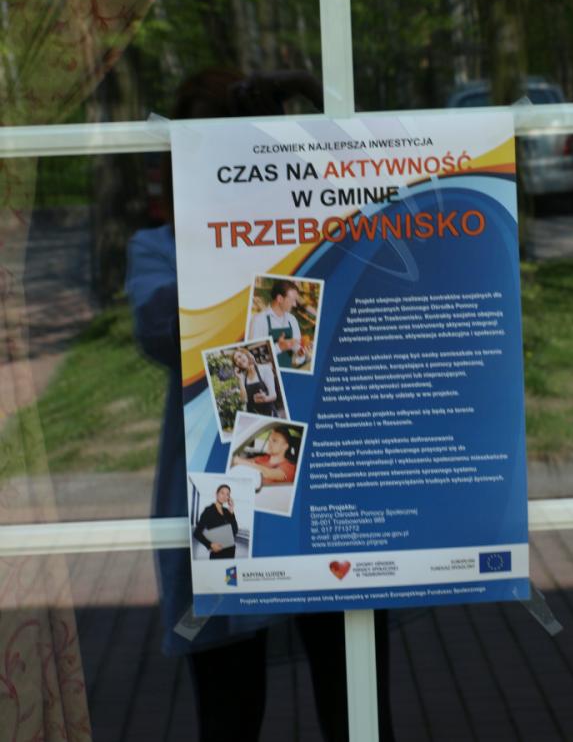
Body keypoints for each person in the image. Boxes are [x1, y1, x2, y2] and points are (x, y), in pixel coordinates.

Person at [127, 68, 395, 742]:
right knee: (228, 712)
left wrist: (307, 126)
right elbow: (164, 333)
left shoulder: (320, 235)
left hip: (326, 487)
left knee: (357, 711)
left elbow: (366, 294)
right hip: (222, 488)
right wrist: (235, 243)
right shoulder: (159, 248)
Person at [251, 279, 305, 368]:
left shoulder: (292, 319)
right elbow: (253, 356)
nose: (295, 305)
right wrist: (279, 347)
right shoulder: (259, 320)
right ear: (280, 298)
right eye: (292, 300)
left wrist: (300, 353)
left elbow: (296, 353)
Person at [233, 425, 297, 484]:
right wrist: (236, 460)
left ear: (285, 446)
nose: (269, 443)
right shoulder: (264, 458)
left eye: (274, 441)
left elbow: (267, 473)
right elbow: (246, 462)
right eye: (269, 440)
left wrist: (238, 460)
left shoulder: (290, 468)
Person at [193, 484, 238, 559]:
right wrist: (210, 544)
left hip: (230, 551)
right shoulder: (208, 510)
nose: (224, 496)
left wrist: (231, 510)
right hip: (217, 552)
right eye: (222, 493)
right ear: (217, 494)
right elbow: (197, 533)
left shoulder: (227, 511)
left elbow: (235, 531)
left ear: (229, 498)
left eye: (227, 494)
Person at [232, 347, 278, 416]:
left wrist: (265, 399)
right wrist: (240, 379)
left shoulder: (264, 369)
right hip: (254, 415)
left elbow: (273, 395)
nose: (238, 360)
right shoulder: (243, 377)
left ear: (247, 355)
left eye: (240, 356)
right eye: (236, 360)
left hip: (269, 414)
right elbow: (244, 400)